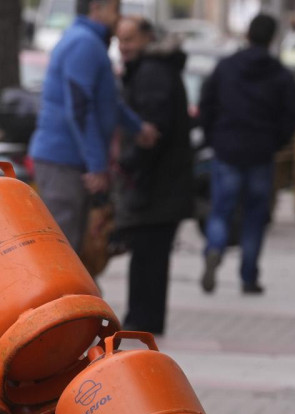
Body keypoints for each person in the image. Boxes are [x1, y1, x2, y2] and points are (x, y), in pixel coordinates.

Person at [28, 0, 156, 254]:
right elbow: (79, 108)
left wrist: (137, 127)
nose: (120, 18)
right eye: (116, 10)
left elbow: (107, 102)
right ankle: (61, 294)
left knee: (72, 245)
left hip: (68, 160)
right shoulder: (84, 44)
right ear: (99, 7)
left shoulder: (88, 42)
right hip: (63, 161)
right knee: (62, 249)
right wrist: (97, 165)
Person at [198, 13, 295, 295]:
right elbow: (292, 116)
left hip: (227, 149)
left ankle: (214, 249)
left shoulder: (226, 67)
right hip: (261, 152)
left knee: (221, 210)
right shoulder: (280, 74)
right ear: (272, 39)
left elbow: (206, 104)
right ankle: (248, 276)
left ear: (247, 35)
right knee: (256, 216)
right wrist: (276, 142)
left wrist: (213, 138)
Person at [112, 16, 194, 335]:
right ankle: (145, 319)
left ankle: (141, 320)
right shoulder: (154, 70)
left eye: (129, 39)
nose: (123, 47)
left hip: (157, 186)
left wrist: (127, 164)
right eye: (119, 40)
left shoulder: (151, 74)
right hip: (162, 185)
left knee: (148, 257)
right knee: (151, 257)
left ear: (147, 38)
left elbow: (152, 134)